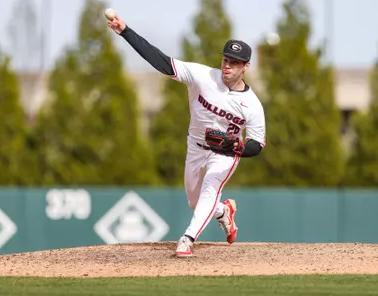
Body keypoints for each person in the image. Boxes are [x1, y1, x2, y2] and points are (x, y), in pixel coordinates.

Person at [107, 14, 266, 257]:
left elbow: (257, 144)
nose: (227, 65)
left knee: (210, 190)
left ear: (246, 66)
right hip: (195, 145)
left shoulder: (252, 105)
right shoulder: (203, 76)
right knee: (195, 201)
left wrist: (237, 149)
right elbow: (161, 61)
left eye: (235, 62)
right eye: (226, 59)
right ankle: (223, 212)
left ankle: (187, 239)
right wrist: (126, 31)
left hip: (224, 154)